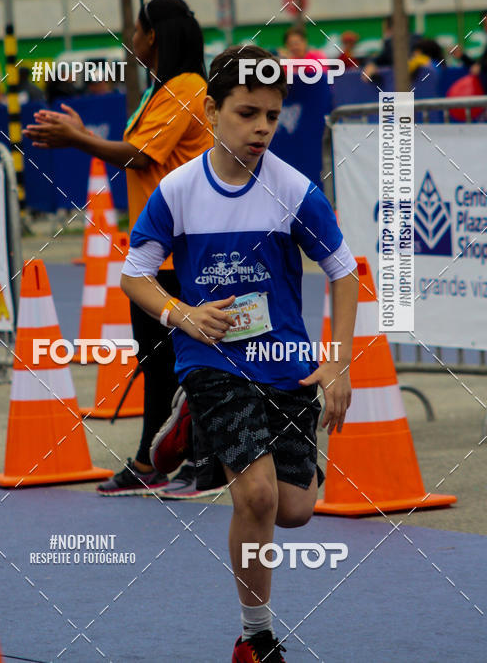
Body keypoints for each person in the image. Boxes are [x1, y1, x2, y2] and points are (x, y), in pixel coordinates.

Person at [120, 44, 358, 662]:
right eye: (247, 112)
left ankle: (193, 429)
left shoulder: (294, 190)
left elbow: (344, 272)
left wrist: (336, 360)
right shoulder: (176, 191)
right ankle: (256, 638)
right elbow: (135, 276)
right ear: (211, 110)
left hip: (285, 363)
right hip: (212, 359)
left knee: (295, 510)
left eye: (273, 116)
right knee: (254, 496)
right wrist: (182, 314)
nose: (261, 128)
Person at [23, 0, 218, 498]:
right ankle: (153, 460)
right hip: (157, 248)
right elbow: (145, 154)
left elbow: (136, 156)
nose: (131, 38)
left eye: (135, 29)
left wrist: (76, 140)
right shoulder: (164, 90)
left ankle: (203, 460)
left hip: (183, 249)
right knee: (156, 362)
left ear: (153, 35)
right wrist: (84, 134)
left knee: (186, 362)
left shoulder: (186, 88)